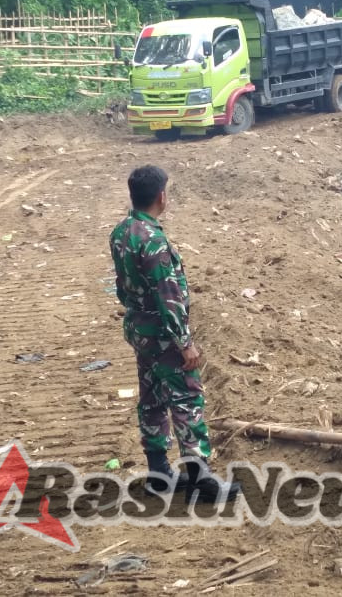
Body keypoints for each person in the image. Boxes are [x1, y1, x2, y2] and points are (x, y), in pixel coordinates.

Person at [109, 165, 239, 504]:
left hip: (139, 330)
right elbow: (169, 297)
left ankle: (159, 474)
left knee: (151, 398)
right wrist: (185, 344)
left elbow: (123, 287)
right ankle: (201, 479)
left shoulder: (122, 231)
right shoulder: (154, 242)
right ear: (161, 197)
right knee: (186, 398)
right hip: (164, 335)